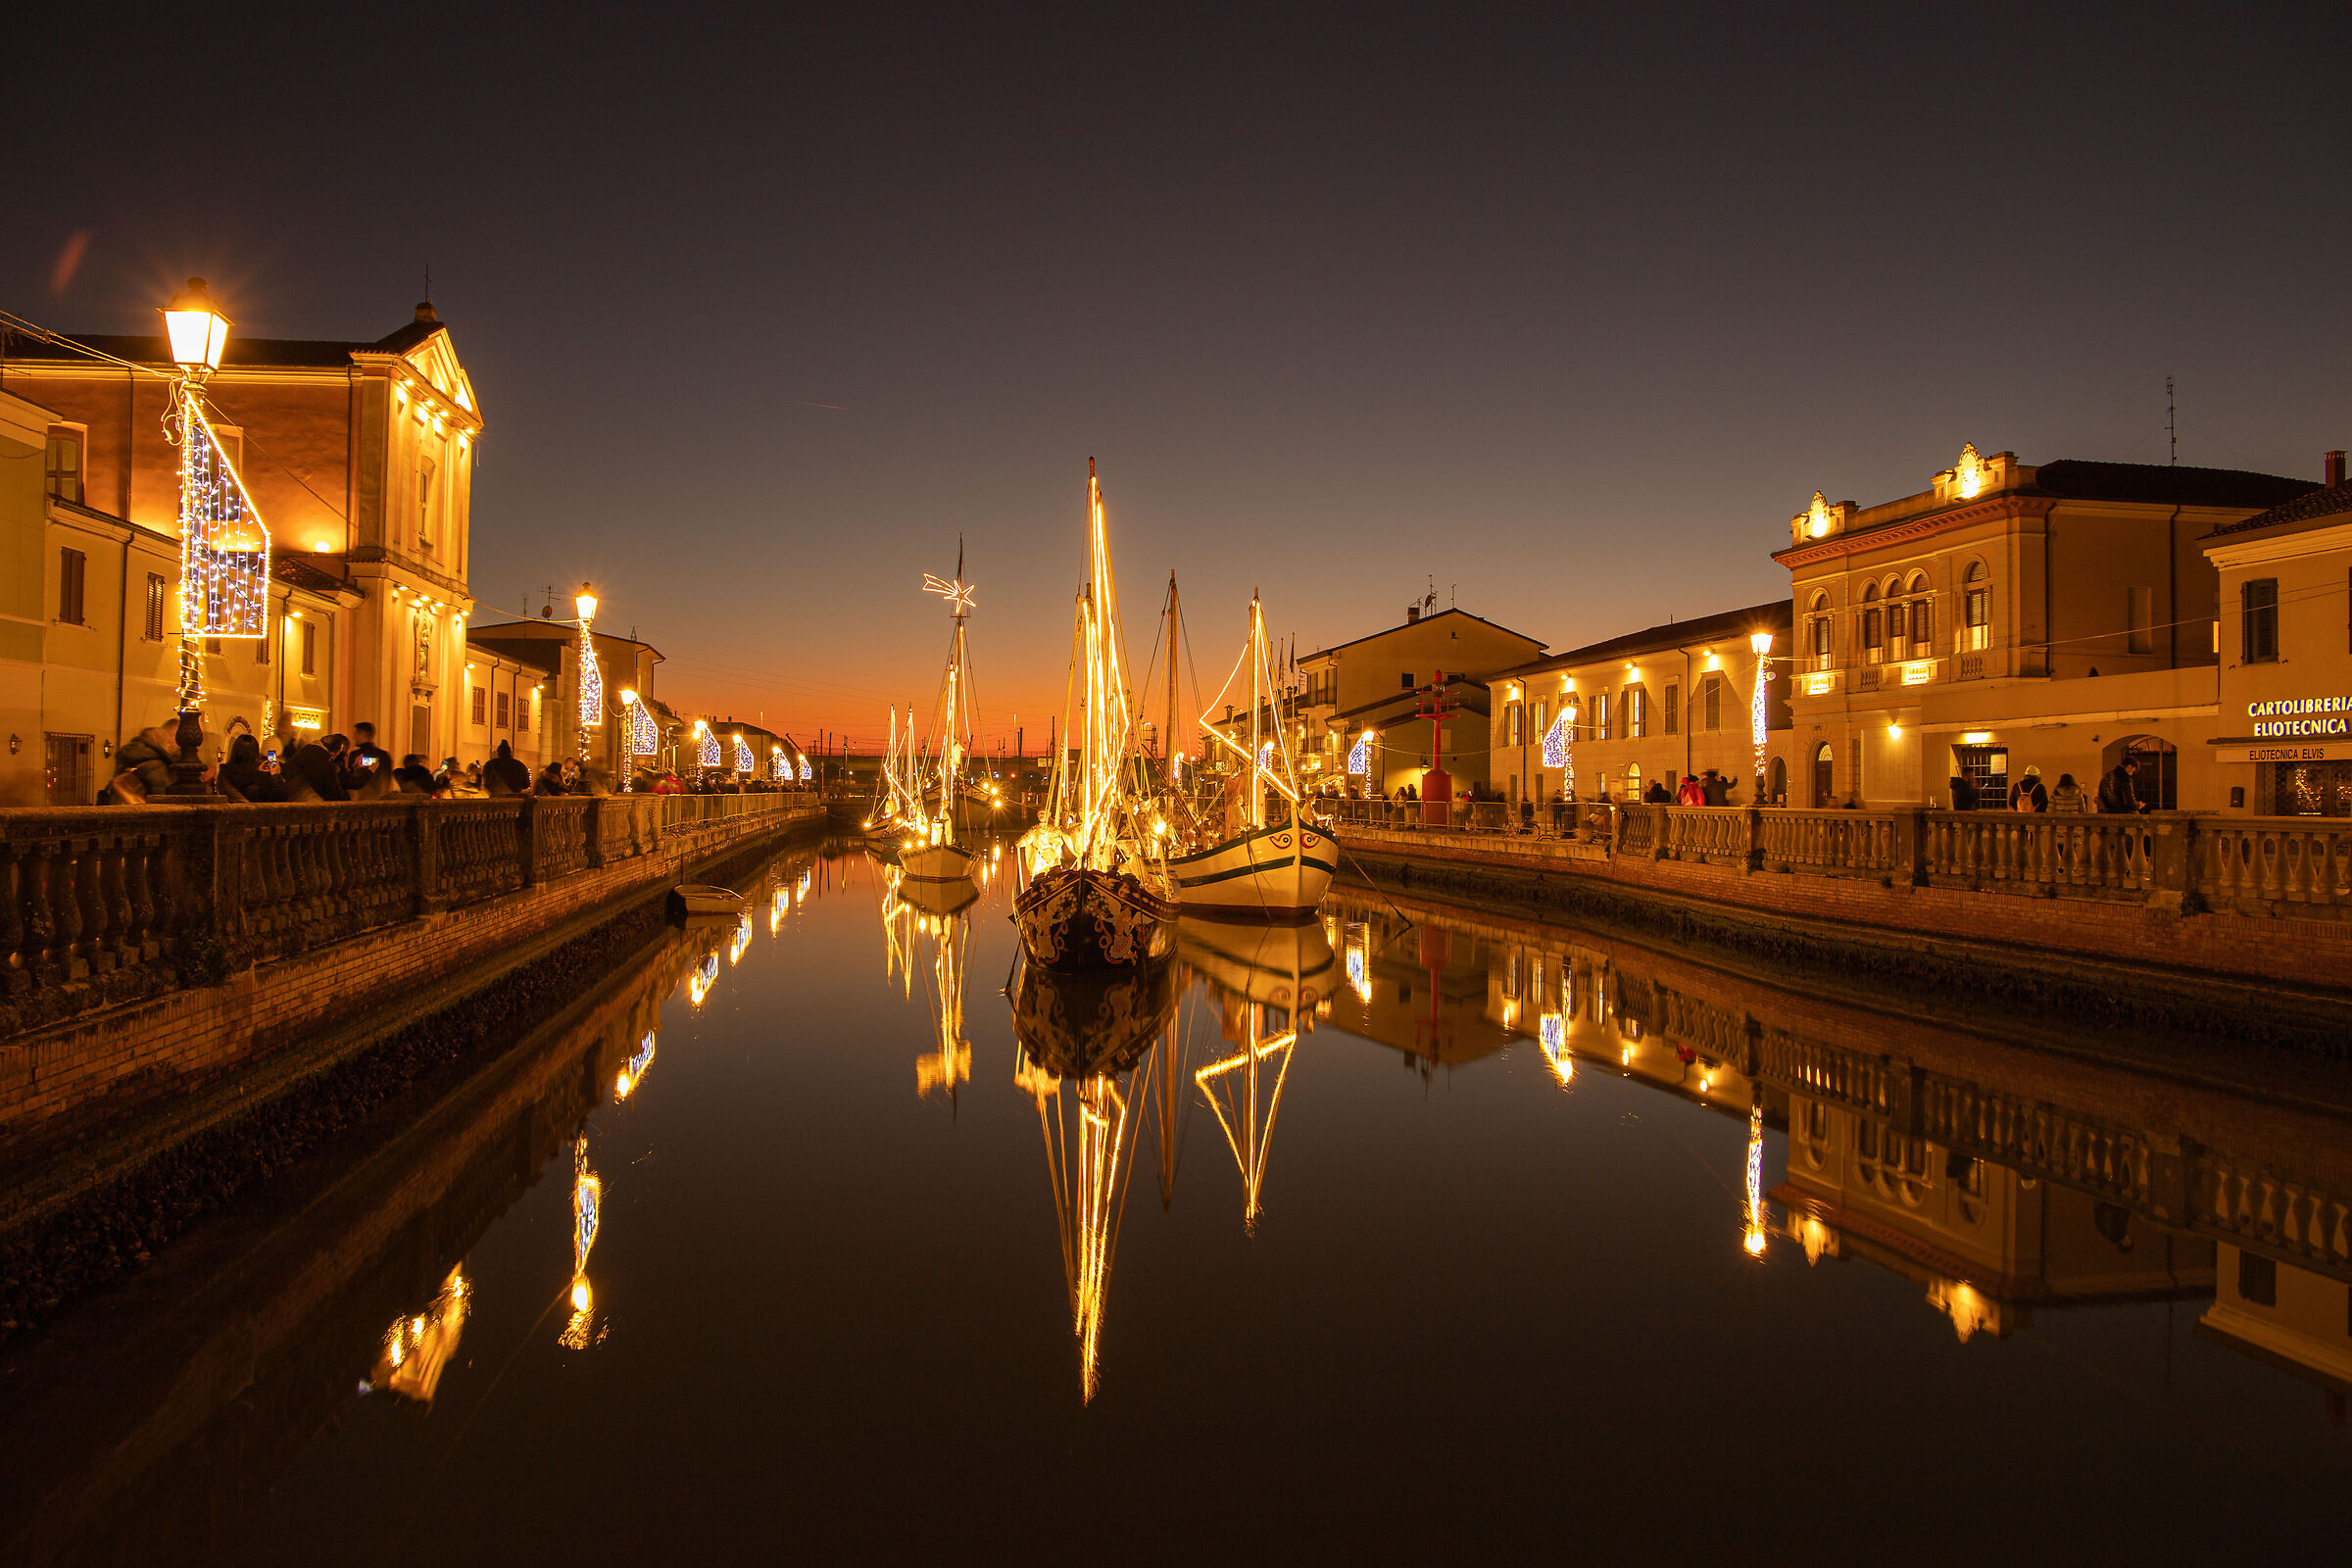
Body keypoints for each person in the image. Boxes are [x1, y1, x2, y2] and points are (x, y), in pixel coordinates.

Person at [110, 723, 180, 803]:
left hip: (119, 805)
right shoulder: (156, 765)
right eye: (167, 742)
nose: (169, 745)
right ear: (160, 742)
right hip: (141, 810)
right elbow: (160, 794)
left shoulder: (127, 758)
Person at [218, 733, 290, 802]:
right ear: (256, 753)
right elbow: (281, 796)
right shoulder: (259, 777)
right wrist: (275, 775)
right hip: (255, 813)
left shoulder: (225, 772)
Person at [286, 732, 350, 802]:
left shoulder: (306, 751)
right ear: (334, 753)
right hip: (302, 801)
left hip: (290, 796)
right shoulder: (324, 760)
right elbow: (334, 792)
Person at [343, 720, 393, 796]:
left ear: (361, 734)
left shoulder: (355, 755)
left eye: (355, 734)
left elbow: (351, 779)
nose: (353, 737)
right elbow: (386, 780)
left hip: (359, 801)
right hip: (379, 799)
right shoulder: (383, 755)